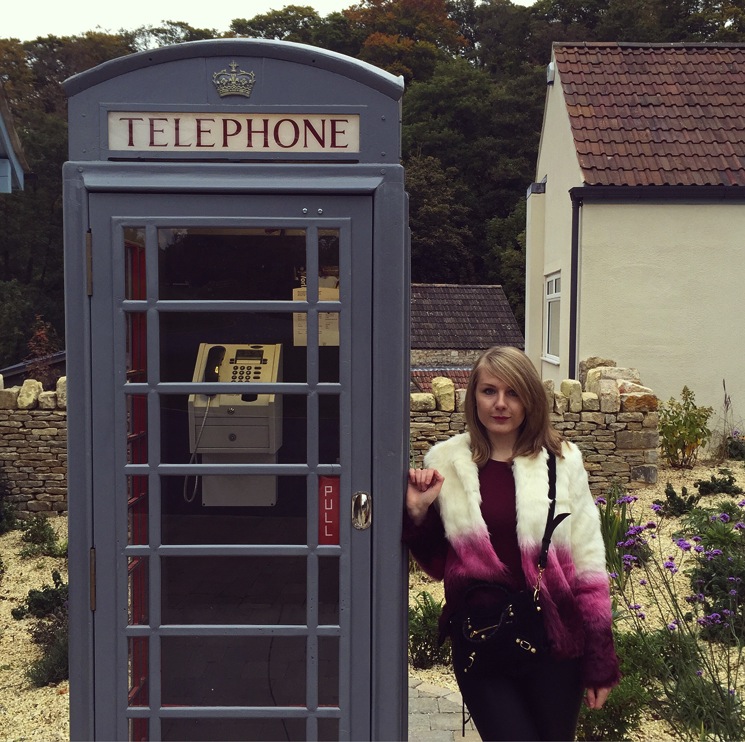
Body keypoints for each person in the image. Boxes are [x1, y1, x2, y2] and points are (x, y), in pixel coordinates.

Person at [404, 346, 620, 741]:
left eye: (513, 392)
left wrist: (600, 657)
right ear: (473, 397)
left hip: (556, 643)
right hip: (482, 641)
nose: (500, 404)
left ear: (530, 400)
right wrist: (418, 513)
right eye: (489, 391)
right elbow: (439, 565)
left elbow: (589, 565)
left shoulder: (563, 461)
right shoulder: (447, 462)